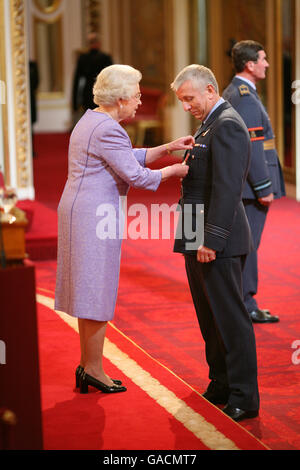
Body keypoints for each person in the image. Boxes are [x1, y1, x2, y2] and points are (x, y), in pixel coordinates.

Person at [55, 64, 194, 395]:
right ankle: (93, 369)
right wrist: (174, 170)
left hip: (80, 210)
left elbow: (123, 157)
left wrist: (165, 148)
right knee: (97, 292)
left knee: (89, 292)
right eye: (136, 95)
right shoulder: (109, 129)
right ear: (119, 98)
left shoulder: (94, 120)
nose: (139, 100)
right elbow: (137, 176)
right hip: (93, 216)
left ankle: (89, 366)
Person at [171, 64, 259, 421]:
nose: (186, 106)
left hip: (215, 237)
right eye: (181, 100)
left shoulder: (227, 125)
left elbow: (226, 189)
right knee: (208, 318)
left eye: (189, 98)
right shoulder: (210, 121)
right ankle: (220, 383)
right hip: (195, 230)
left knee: (230, 319)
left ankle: (244, 396)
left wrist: (212, 240)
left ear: (210, 90)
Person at [223, 40, 285, 323]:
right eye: (263, 59)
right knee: (248, 245)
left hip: (244, 186)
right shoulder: (245, 97)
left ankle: (242, 301)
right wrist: (263, 186)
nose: (267, 64)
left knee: (245, 244)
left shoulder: (237, 91)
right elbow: (252, 145)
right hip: (251, 188)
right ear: (250, 64)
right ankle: (246, 303)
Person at [72, 33, 113, 113]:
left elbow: (76, 81)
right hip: (103, 93)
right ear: (99, 43)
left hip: (88, 94)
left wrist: (75, 103)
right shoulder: (106, 58)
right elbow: (111, 80)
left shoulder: (83, 58)